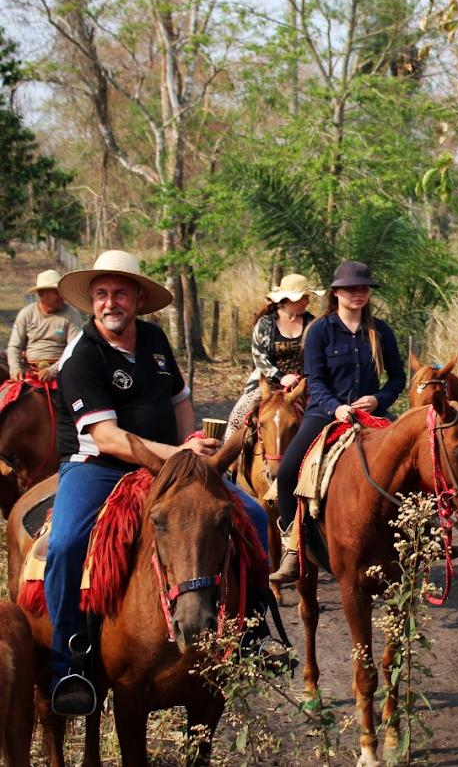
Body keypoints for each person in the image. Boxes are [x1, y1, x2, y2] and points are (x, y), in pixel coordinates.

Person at [44, 250, 272, 717]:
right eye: (102, 294)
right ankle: (69, 661)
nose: (110, 303)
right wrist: (180, 454)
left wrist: (189, 439)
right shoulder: (81, 354)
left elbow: (179, 399)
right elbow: (108, 437)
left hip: (169, 466)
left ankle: (249, 631)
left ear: (138, 298)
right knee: (67, 543)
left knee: (251, 516)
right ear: (91, 301)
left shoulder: (153, 339)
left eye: (120, 293)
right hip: (98, 468)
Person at [269, 261, 406, 583]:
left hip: (371, 412)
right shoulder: (320, 330)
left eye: (363, 288)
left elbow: (398, 378)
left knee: (416, 456)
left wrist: (379, 400)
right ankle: (293, 546)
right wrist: (336, 409)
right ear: (336, 293)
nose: (358, 294)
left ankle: (427, 534)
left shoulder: (381, 330)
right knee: (289, 471)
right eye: (351, 289)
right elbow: (315, 381)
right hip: (325, 412)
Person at [224, 274, 324, 441]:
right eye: (303, 298)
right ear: (289, 300)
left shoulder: (313, 323)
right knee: (237, 418)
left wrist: (305, 379)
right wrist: (282, 377)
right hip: (267, 385)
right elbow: (259, 357)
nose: (307, 301)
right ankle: (230, 464)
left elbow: (317, 356)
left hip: (305, 386)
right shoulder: (265, 323)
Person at [6, 269, 82, 383]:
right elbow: (14, 347)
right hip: (29, 371)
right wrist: (15, 369)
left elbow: (74, 349)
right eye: (57, 292)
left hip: (61, 370)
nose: (62, 296)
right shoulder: (26, 313)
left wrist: (52, 370)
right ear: (42, 294)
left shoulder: (72, 314)